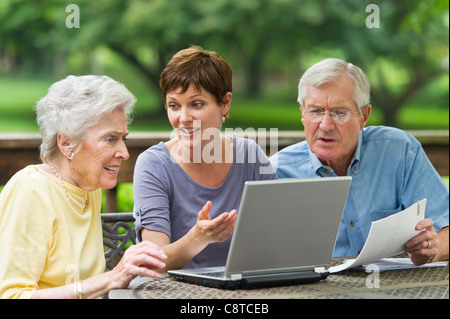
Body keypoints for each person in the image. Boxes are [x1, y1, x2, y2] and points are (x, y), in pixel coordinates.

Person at [0, 75, 167, 299]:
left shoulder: (88, 186)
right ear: (67, 143)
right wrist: (111, 277)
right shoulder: (31, 190)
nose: (124, 153)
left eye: (123, 139)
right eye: (110, 139)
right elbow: (12, 296)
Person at [270, 58, 449, 266]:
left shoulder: (399, 151)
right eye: (316, 111)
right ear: (302, 113)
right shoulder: (277, 172)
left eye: (339, 112)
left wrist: (431, 249)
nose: (325, 125)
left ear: (364, 116)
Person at [133, 46, 277, 271]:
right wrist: (197, 238)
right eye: (174, 106)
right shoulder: (154, 164)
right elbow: (152, 262)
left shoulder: (250, 156)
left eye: (196, 104)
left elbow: (281, 233)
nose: (183, 118)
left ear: (225, 103)